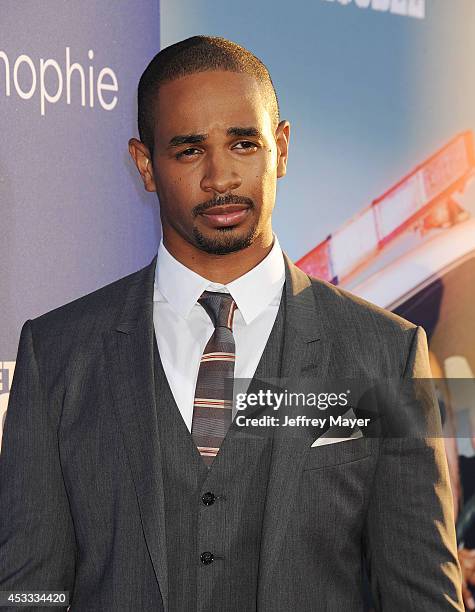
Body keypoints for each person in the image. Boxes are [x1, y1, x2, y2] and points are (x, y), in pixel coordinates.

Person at [0, 35, 464, 611]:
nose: (220, 177)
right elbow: (27, 593)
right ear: (146, 164)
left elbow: (421, 595)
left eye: (244, 143)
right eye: (189, 150)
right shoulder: (58, 354)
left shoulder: (386, 354)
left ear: (282, 148)